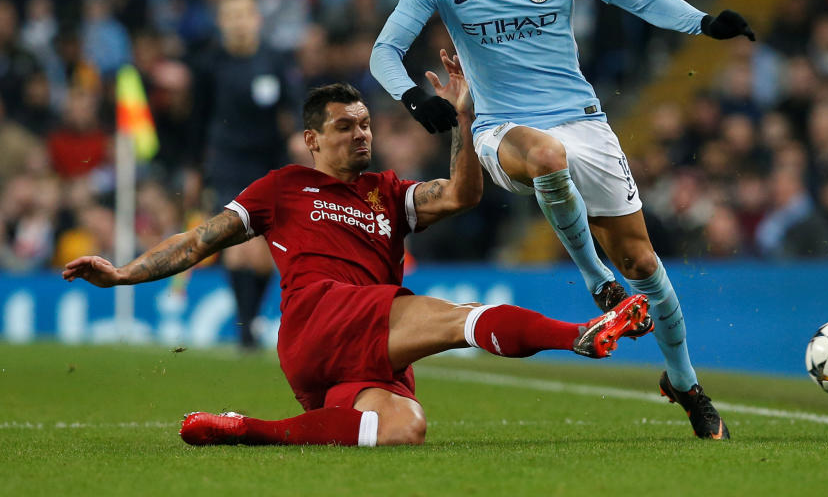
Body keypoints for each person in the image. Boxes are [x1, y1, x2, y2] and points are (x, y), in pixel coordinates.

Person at [62, 53, 651, 447]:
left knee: (402, 428)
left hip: (353, 353)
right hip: (321, 316)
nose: (361, 133)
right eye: (345, 126)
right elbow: (198, 239)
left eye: (365, 123)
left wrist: (463, 119)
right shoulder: (281, 187)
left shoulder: (388, 192)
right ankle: (579, 333)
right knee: (454, 320)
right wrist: (122, 275)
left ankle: (251, 431)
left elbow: (463, 195)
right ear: (313, 140)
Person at [370, 0, 756, 440]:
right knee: (547, 158)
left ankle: (686, 385)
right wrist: (413, 97)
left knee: (647, 265)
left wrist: (702, 22)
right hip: (502, 128)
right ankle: (594, 278)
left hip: (581, 118)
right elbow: (384, 50)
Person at [188, 0, 295, 349]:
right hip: (228, 159)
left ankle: (250, 317)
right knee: (236, 239)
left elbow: (293, 107)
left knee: (264, 246)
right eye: (230, 16)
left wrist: (298, 136)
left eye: (244, 15)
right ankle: (246, 327)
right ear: (221, 22)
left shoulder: (274, 60)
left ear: (256, 19)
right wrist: (195, 167)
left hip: (269, 159)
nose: (238, 24)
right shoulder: (209, 64)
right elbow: (198, 117)